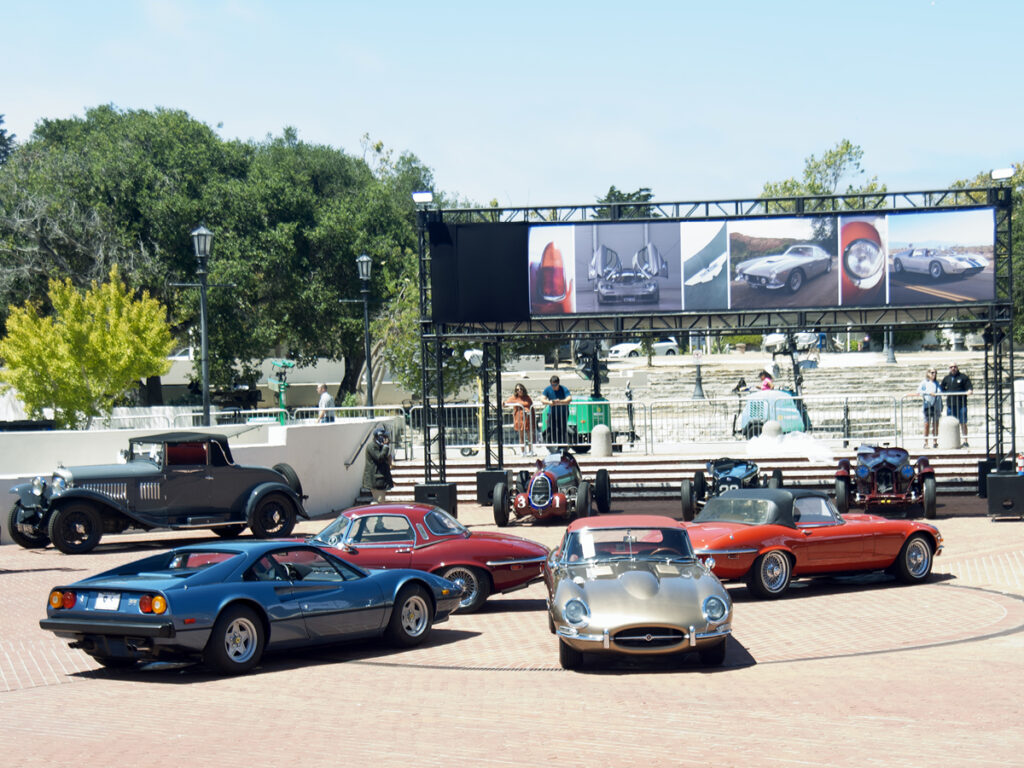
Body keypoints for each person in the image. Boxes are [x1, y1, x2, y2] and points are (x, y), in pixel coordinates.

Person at [940, 363, 973, 447]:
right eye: (951, 367)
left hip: (962, 404)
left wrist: (969, 391)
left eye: (954, 367)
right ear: (949, 368)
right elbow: (941, 388)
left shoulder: (963, 377)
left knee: (963, 422)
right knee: (950, 422)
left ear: (957, 368)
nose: (953, 368)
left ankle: (965, 441)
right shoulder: (946, 378)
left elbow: (969, 387)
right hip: (951, 405)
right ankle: (950, 441)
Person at [362, 426, 394, 503]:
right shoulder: (372, 446)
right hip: (376, 481)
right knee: (379, 501)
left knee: (381, 500)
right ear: (378, 437)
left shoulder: (381, 446)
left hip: (382, 480)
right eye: (384, 436)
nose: (386, 438)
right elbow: (379, 458)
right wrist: (385, 446)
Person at [540, 375, 572, 447]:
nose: (554, 386)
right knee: (550, 429)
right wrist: (549, 402)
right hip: (552, 413)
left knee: (562, 429)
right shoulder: (547, 389)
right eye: (552, 385)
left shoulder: (563, 389)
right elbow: (542, 399)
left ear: (558, 384)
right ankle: (551, 445)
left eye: (555, 385)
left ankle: (562, 446)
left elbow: (569, 398)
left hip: (562, 413)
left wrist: (560, 402)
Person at [504, 383, 535, 455]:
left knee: (530, 435)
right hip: (519, 419)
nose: (519, 391)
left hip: (528, 418)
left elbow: (530, 404)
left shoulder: (527, 397)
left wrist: (527, 410)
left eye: (521, 389)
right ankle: (523, 451)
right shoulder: (514, 397)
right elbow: (506, 403)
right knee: (521, 436)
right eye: (517, 389)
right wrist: (503, 403)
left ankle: (531, 451)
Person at [917, 368, 941, 448]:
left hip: (936, 405)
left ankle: (935, 441)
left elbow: (940, 392)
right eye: (932, 372)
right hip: (927, 405)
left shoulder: (937, 383)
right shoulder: (924, 383)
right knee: (927, 424)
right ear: (928, 373)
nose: (934, 374)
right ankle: (926, 442)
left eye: (935, 373)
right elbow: (919, 391)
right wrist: (928, 393)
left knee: (935, 424)